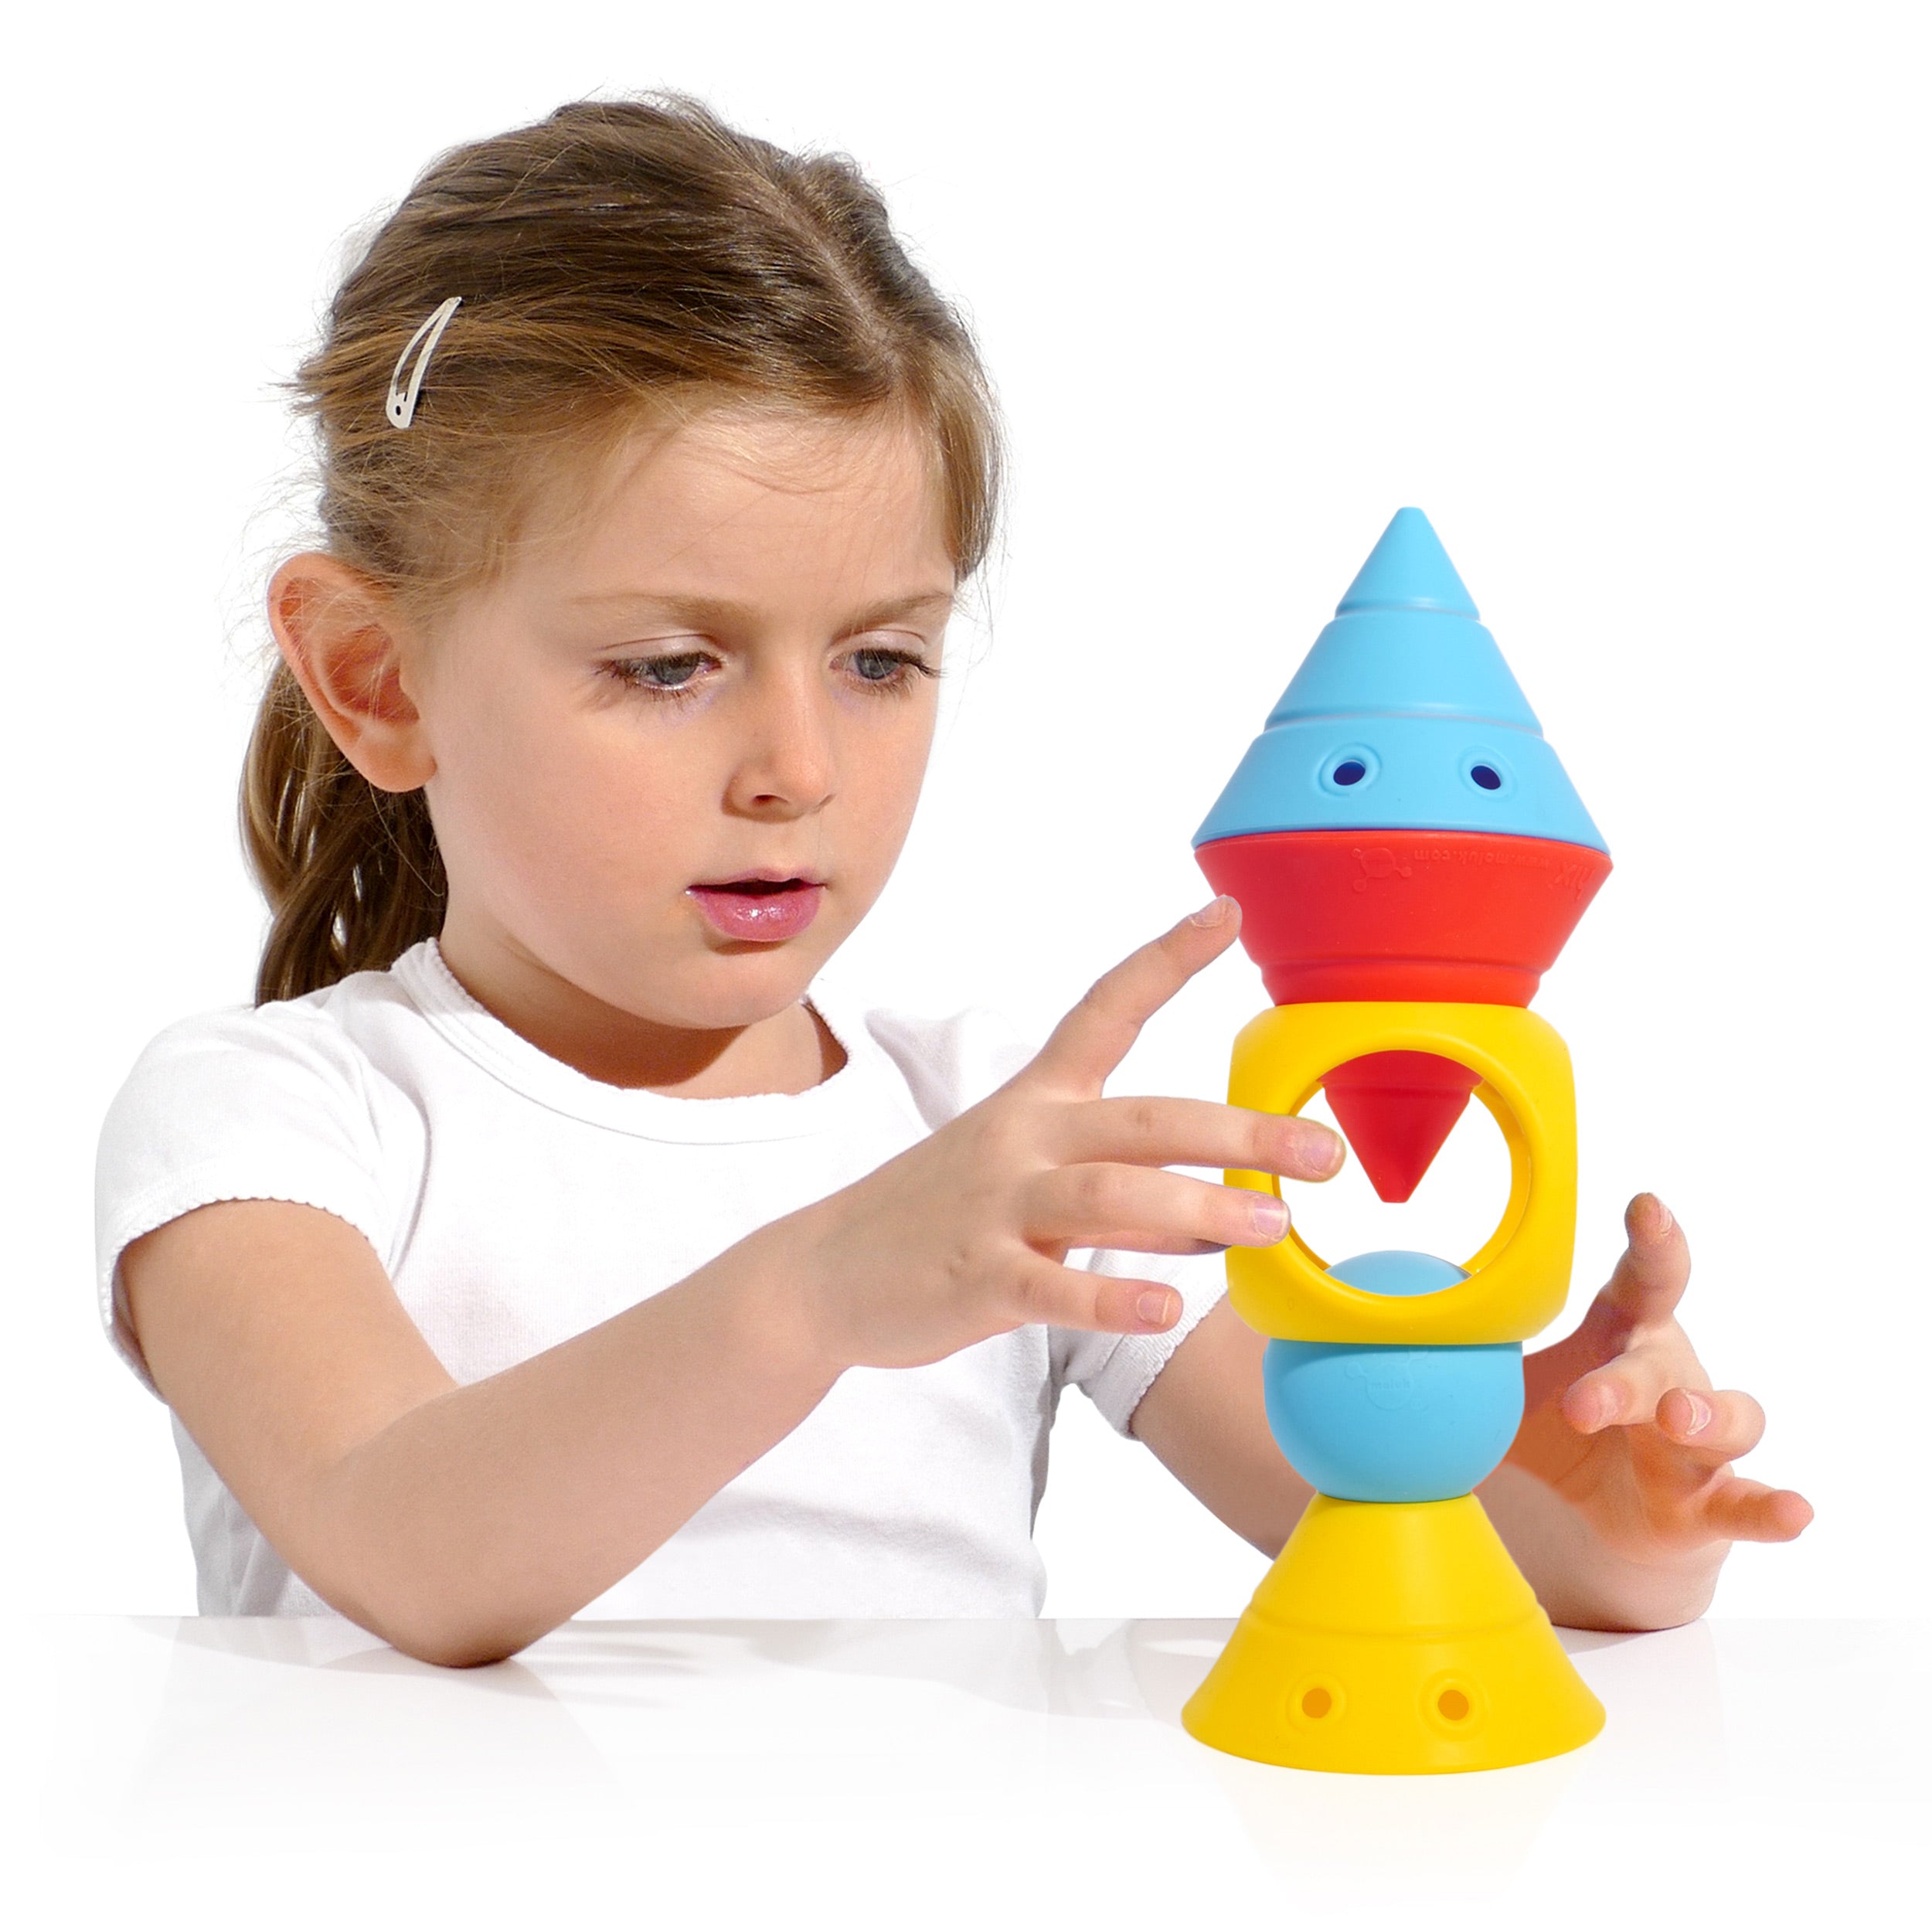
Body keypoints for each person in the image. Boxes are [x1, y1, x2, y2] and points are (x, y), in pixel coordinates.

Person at [95, 96, 1809, 1668]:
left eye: (880, 660)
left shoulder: (988, 1129)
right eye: (670, 665)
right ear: (377, 678)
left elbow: (1431, 1554)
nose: (799, 767)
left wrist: (1604, 1515)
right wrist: (816, 1290)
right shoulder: (270, 1119)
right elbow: (404, 1547)